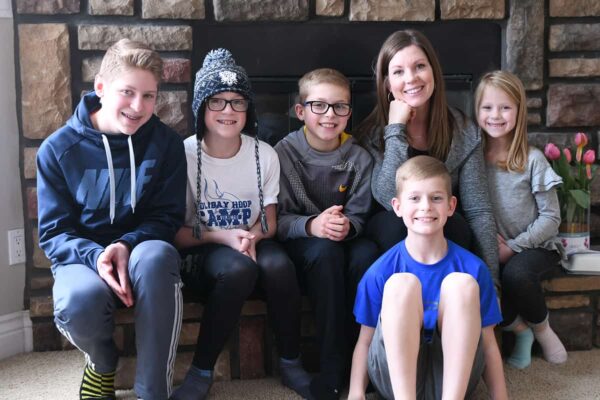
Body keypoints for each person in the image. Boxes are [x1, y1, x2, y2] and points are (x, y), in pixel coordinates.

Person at [37, 39, 186, 400]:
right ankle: (102, 364)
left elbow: (167, 216)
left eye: (149, 96)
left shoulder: (166, 143)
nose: (138, 107)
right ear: (101, 87)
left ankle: (153, 392)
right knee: (78, 300)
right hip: (83, 258)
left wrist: (125, 244)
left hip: (141, 250)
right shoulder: (57, 150)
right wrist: (97, 256)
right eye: (127, 92)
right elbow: (54, 233)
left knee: (158, 257)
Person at [171, 48, 310, 400]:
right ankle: (201, 372)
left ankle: (292, 362)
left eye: (237, 102)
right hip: (204, 247)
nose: (228, 111)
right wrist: (225, 238)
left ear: (248, 109)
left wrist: (249, 239)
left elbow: (270, 223)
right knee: (237, 269)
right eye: (217, 101)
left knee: (279, 265)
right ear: (201, 107)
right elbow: (177, 235)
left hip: (253, 238)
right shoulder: (183, 156)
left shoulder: (265, 154)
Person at [349, 155, 507, 400]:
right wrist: (355, 392)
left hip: (453, 379)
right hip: (396, 381)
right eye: (414, 198)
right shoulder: (380, 271)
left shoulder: (473, 268)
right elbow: (365, 341)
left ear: (451, 206)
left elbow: (487, 342)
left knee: (461, 284)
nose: (426, 207)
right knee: (401, 284)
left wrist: (501, 397)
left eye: (436, 198)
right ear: (397, 206)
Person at [353, 29, 499, 285]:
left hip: (442, 225)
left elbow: (479, 211)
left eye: (420, 66)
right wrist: (395, 129)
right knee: (400, 223)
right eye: (398, 71)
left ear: (434, 72)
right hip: (389, 228)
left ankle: (446, 304)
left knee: (455, 225)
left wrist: (492, 283)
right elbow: (388, 197)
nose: (411, 78)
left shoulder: (464, 131)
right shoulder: (371, 134)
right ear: (387, 83)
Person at [275, 68, 379, 400]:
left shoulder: (359, 158)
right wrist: (311, 225)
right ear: (300, 110)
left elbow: (360, 214)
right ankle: (331, 367)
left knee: (367, 255)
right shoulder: (284, 154)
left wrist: (348, 225)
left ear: (349, 112)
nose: (330, 115)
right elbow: (277, 220)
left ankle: (364, 364)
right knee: (325, 252)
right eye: (318, 105)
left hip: (346, 238)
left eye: (340, 106)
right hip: (304, 242)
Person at [476, 70, 568, 369]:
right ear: (477, 111)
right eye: (487, 107)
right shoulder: (473, 161)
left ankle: (542, 330)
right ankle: (519, 329)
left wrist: (514, 247)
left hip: (536, 245)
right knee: (473, 283)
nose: (495, 115)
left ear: (519, 111)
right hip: (491, 249)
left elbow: (551, 217)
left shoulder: (532, 159)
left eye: (505, 107)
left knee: (516, 274)